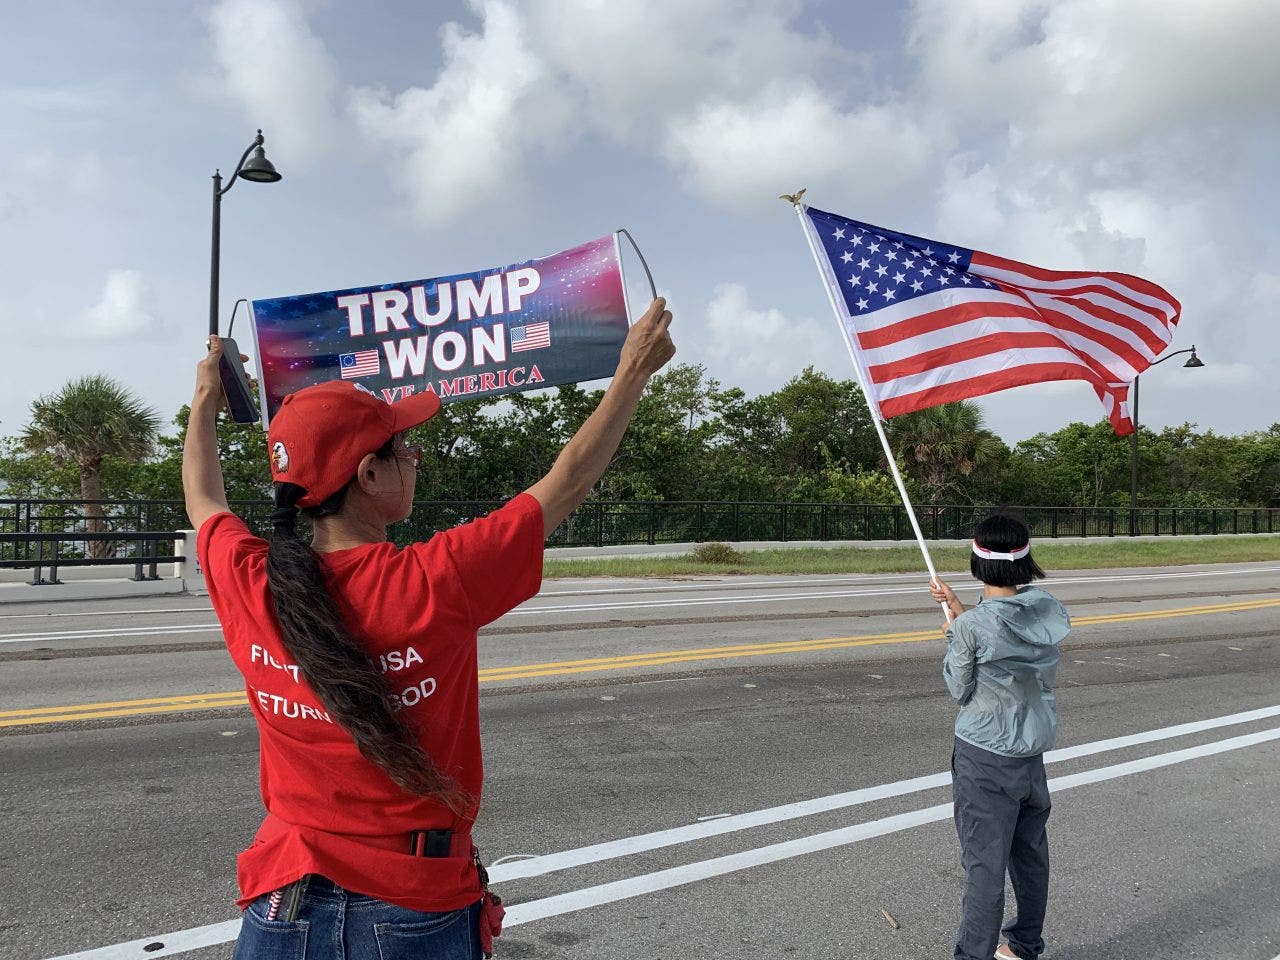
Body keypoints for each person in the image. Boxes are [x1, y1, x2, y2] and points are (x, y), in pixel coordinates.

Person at [182, 298, 674, 959]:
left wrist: (206, 399)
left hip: (280, 907)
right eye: (402, 447)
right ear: (368, 473)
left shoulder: (248, 579)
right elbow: (568, 482)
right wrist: (632, 372)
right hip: (411, 907)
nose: (414, 456)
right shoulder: (437, 579)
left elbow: (203, 495)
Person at [928, 513, 1069, 960]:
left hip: (985, 756)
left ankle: (974, 955)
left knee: (984, 866)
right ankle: (1024, 944)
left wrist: (955, 633)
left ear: (977, 560)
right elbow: (1001, 635)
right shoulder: (1042, 611)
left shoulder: (971, 628)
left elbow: (961, 688)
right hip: (1030, 754)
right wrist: (962, 615)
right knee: (1029, 856)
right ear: (1026, 562)